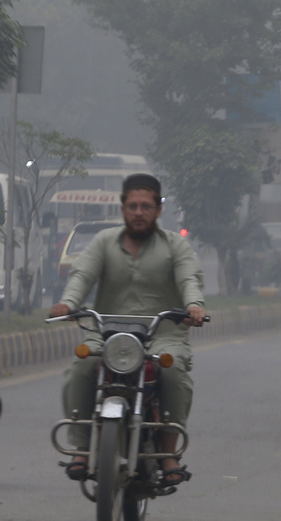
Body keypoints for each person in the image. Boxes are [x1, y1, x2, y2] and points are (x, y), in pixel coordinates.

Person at [49, 173, 206, 484]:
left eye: (146, 206)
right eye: (132, 206)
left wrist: (194, 306)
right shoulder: (103, 242)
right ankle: (81, 449)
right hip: (107, 334)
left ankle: (168, 452)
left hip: (163, 336)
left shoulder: (176, 246)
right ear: (122, 208)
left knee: (173, 372)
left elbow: (189, 279)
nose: (138, 212)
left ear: (158, 210)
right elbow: (82, 275)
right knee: (80, 367)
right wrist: (68, 303)